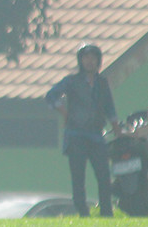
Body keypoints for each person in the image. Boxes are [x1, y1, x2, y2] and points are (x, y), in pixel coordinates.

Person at [45, 43, 120, 217]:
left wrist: (117, 129)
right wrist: (64, 111)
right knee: (78, 178)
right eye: (86, 58)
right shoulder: (71, 81)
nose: (89, 61)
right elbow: (51, 95)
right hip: (76, 136)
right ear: (80, 61)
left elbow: (110, 108)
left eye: (93, 58)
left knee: (104, 175)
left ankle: (106, 212)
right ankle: (83, 212)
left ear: (98, 61)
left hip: (96, 136)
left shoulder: (102, 83)